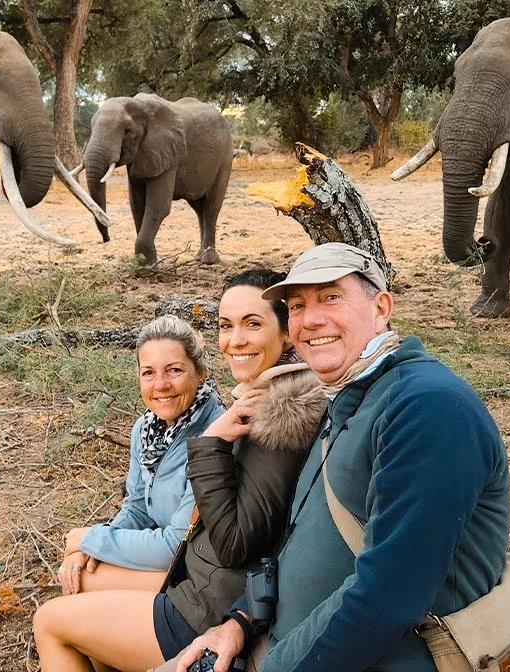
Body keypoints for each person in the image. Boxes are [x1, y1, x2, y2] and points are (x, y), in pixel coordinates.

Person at [173, 243, 510, 672]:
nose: (310, 320)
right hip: (271, 643)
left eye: (331, 297)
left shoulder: (426, 407)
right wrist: (239, 621)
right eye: (297, 306)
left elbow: (388, 597)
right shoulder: (347, 398)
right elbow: (295, 541)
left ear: (381, 307)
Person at [35, 274, 326, 672]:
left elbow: (229, 543)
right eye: (226, 326)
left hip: (206, 602)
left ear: (288, 333)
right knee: (76, 592)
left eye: (253, 323)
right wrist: (93, 546)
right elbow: (136, 505)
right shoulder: (242, 407)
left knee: (50, 620)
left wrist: (209, 445)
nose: (236, 339)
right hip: (198, 581)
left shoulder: (277, 419)